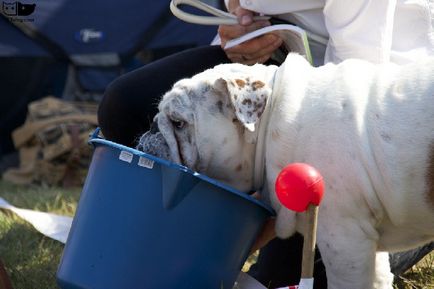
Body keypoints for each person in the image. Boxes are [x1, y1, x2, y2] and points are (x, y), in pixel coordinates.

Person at [98, 1, 434, 288]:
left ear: (245, 108)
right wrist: (237, 34)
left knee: (321, 251)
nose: (164, 139)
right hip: (282, 75)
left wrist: (278, 202)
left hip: (378, 91)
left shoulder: (330, 123)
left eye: (179, 125)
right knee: (125, 102)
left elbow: (355, 97)